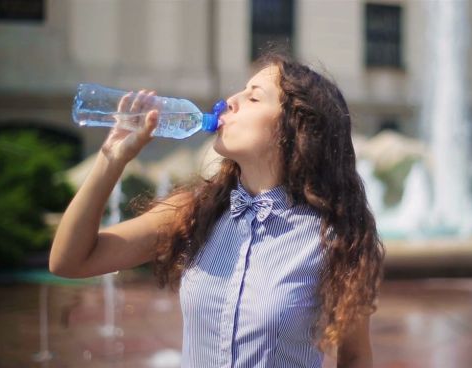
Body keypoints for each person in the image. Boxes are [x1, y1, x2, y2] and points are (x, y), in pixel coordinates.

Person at [49, 53, 385, 367]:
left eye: (253, 97)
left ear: (295, 128)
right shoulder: (195, 211)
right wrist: (113, 157)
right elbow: (70, 261)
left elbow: (354, 358)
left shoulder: (335, 238)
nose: (229, 102)